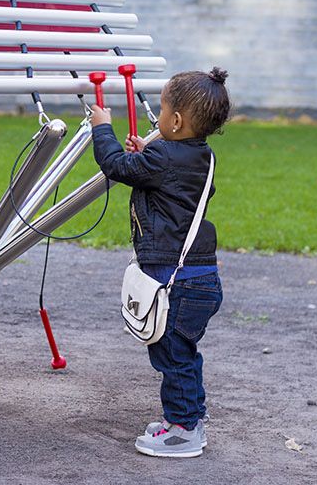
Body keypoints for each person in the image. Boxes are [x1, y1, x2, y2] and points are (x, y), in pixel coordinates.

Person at [90, 67, 231, 458]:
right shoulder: (199, 155)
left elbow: (117, 168)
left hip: (177, 279)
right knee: (183, 354)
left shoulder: (165, 157)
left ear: (176, 120)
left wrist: (102, 128)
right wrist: (147, 155)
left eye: (164, 109)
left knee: (172, 355)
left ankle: (183, 431)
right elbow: (156, 174)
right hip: (198, 277)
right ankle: (188, 420)